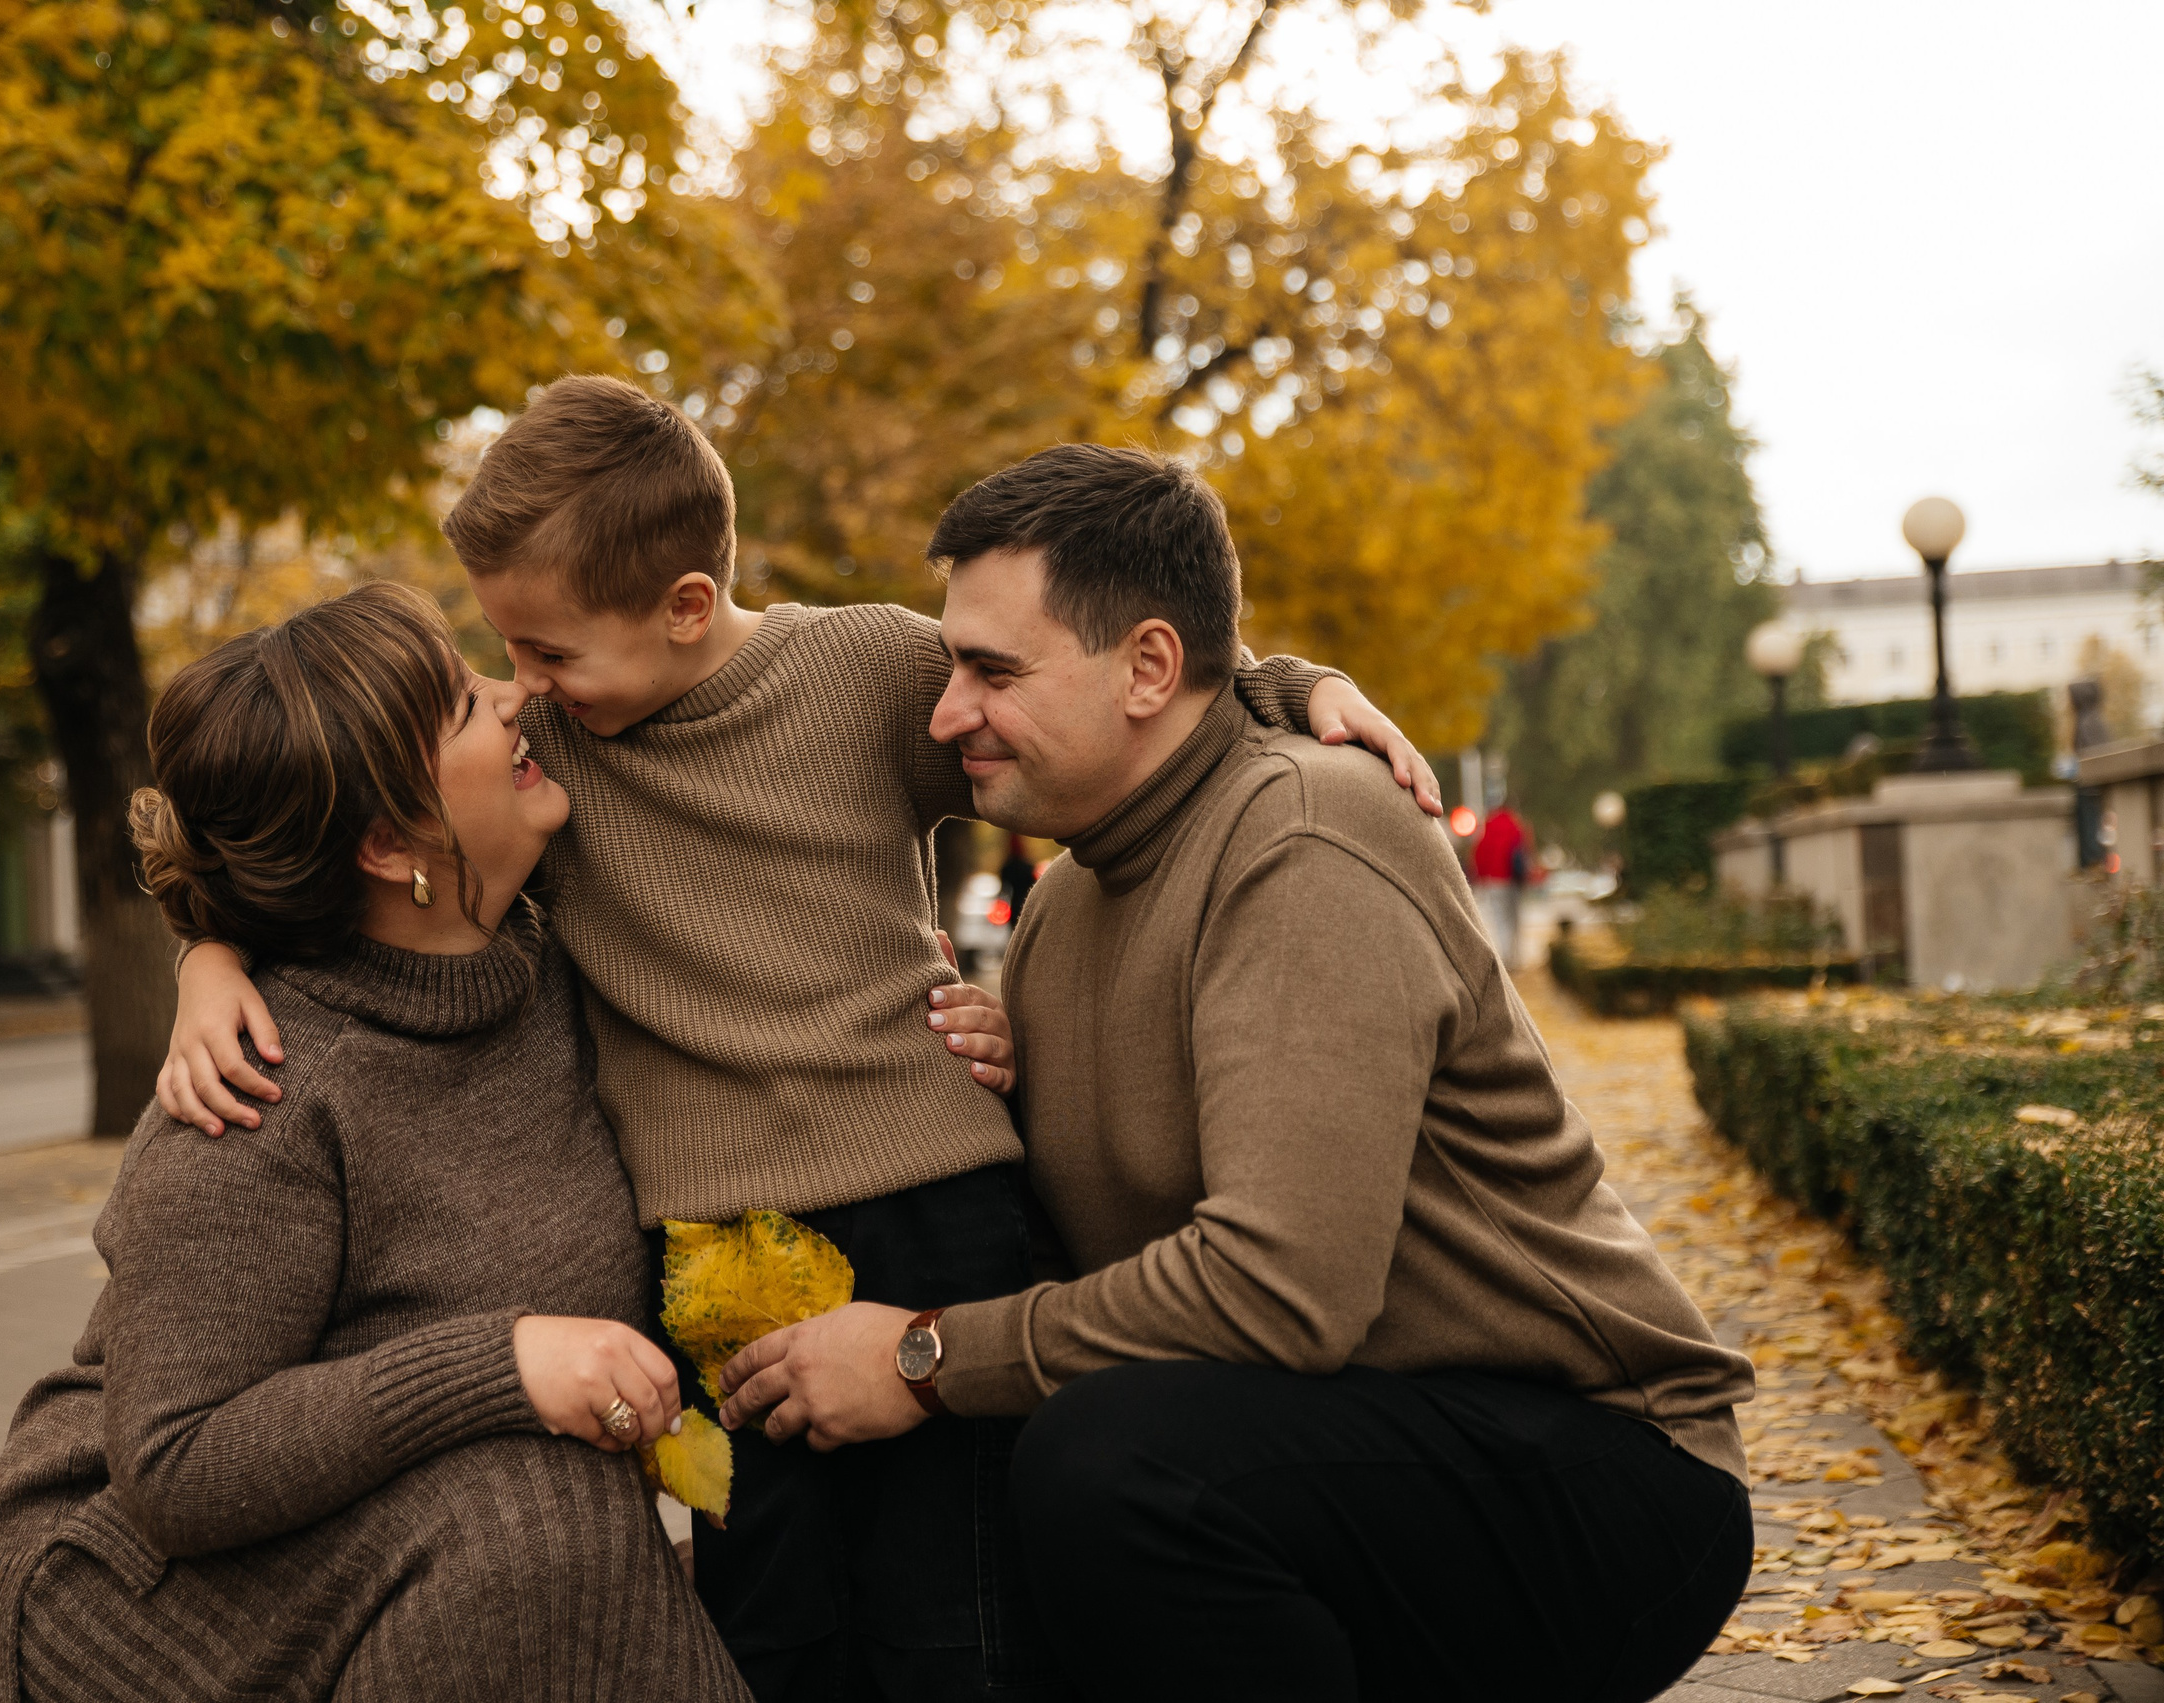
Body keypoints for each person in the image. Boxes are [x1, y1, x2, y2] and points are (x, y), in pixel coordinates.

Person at [153, 377, 1444, 1702]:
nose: (520, 687)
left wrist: (1299, 685)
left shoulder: (867, 670)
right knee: (767, 1617)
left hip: (936, 1197)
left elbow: (1106, 710)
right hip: (717, 1251)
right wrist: (212, 958)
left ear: (686, 608)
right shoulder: (549, 760)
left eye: (547, 651)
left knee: (963, 1609)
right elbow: (343, 860)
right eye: (512, 652)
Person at [715, 445, 1758, 1703]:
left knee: (1112, 1461)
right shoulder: (1066, 902)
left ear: (1150, 666)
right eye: (948, 666)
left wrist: (925, 1359)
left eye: (992, 669)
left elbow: (1281, 1290)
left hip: (1597, 1471)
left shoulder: (1305, 833)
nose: (945, 713)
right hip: (1327, 1448)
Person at [0, 584, 749, 1703]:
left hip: (402, 1509)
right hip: (135, 1590)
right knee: (539, 1519)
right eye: (459, 703)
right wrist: (499, 1361)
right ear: (388, 841)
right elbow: (176, 1463)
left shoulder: (557, 942)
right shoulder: (262, 1089)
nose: (512, 694)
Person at [1470, 797, 1537, 965]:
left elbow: (1479, 854)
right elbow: (1526, 853)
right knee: (1515, 918)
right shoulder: (1517, 826)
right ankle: (1516, 957)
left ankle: (1506, 956)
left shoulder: (1488, 826)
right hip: (1513, 880)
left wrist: (1480, 877)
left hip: (1494, 882)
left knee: (1500, 920)